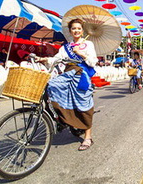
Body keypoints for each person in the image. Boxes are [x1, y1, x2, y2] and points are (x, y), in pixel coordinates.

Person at [38, 19, 98, 151]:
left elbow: (93, 62)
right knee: (51, 86)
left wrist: (81, 53)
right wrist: (44, 59)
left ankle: (88, 137)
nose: (76, 31)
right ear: (70, 31)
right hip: (68, 74)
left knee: (84, 106)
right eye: (73, 28)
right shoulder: (66, 47)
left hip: (82, 76)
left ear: (82, 30)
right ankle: (63, 119)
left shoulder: (88, 44)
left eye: (79, 28)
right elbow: (57, 59)